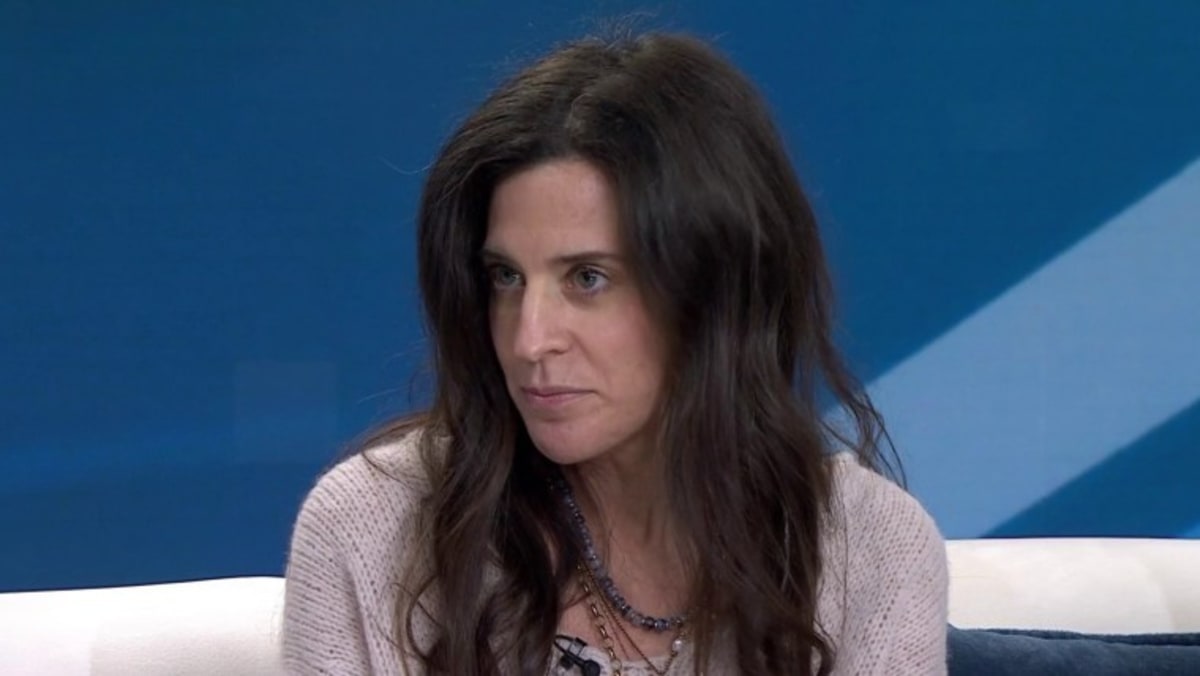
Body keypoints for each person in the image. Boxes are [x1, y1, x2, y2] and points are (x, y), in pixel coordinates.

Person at [282, 31, 948, 675]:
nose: (529, 339)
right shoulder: (371, 530)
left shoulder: (869, 549)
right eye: (506, 277)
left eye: (588, 278)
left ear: (711, 289)